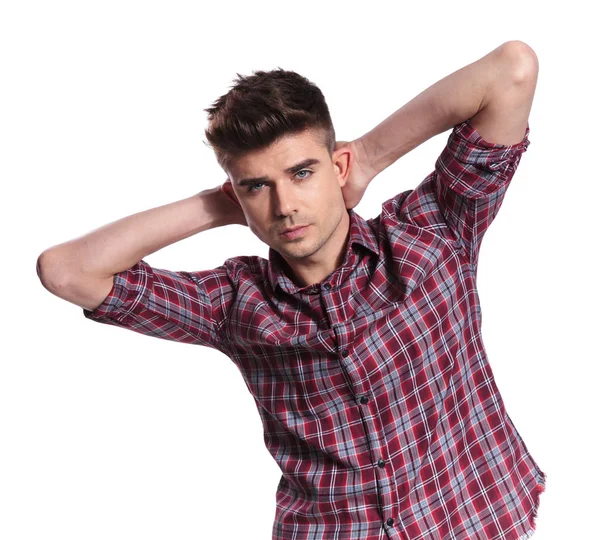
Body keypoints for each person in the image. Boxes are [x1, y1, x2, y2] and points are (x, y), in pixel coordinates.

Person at [37, 40, 547, 540]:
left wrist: (367, 155)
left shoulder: (433, 234)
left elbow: (512, 70)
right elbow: (66, 271)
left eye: (302, 173)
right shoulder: (235, 305)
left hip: (473, 518)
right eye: (257, 186)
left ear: (337, 167)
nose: (284, 206)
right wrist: (219, 206)